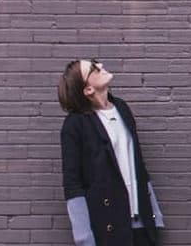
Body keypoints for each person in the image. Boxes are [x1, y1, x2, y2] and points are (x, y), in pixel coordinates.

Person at [58, 59, 164, 246]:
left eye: (96, 63)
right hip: (108, 227)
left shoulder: (122, 108)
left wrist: (155, 214)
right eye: (93, 68)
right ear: (88, 90)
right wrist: (84, 237)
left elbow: (137, 163)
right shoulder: (75, 125)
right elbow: (72, 184)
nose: (100, 66)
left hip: (142, 224)